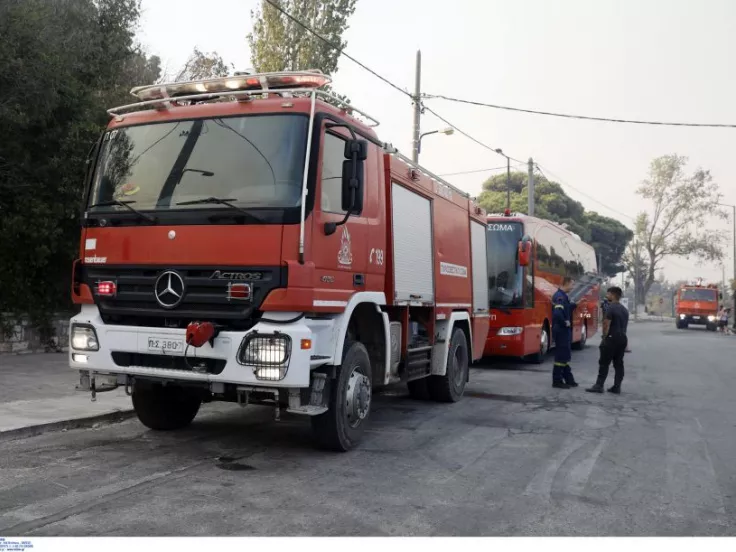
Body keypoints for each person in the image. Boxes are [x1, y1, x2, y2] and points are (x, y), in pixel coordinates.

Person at [586, 286, 629, 394]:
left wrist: (604, 337)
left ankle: (599, 385)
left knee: (604, 363)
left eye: (608, 294)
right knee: (618, 364)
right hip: (622, 338)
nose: (607, 296)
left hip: (611, 338)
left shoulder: (610, 308)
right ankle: (617, 387)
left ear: (613, 295)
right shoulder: (624, 310)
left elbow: (606, 324)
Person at [552, 277, 577, 389]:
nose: (573, 287)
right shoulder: (560, 296)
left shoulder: (563, 296)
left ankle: (568, 379)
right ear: (566, 283)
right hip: (561, 330)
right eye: (572, 284)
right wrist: (565, 322)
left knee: (565, 355)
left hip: (563, 331)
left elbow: (565, 309)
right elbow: (558, 313)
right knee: (561, 356)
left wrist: (575, 305)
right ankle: (557, 381)